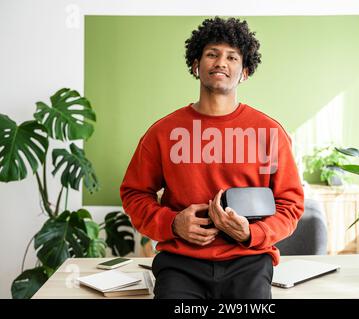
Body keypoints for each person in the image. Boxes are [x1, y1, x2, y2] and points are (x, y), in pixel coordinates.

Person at [120, 16, 304, 299]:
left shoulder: (269, 133)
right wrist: (172, 223)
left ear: (244, 72)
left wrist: (251, 234)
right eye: (212, 54)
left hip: (249, 261)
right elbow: (134, 194)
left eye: (232, 57)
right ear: (196, 64)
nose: (221, 62)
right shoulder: (163, 132)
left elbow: (290, 205)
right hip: (180, 264)